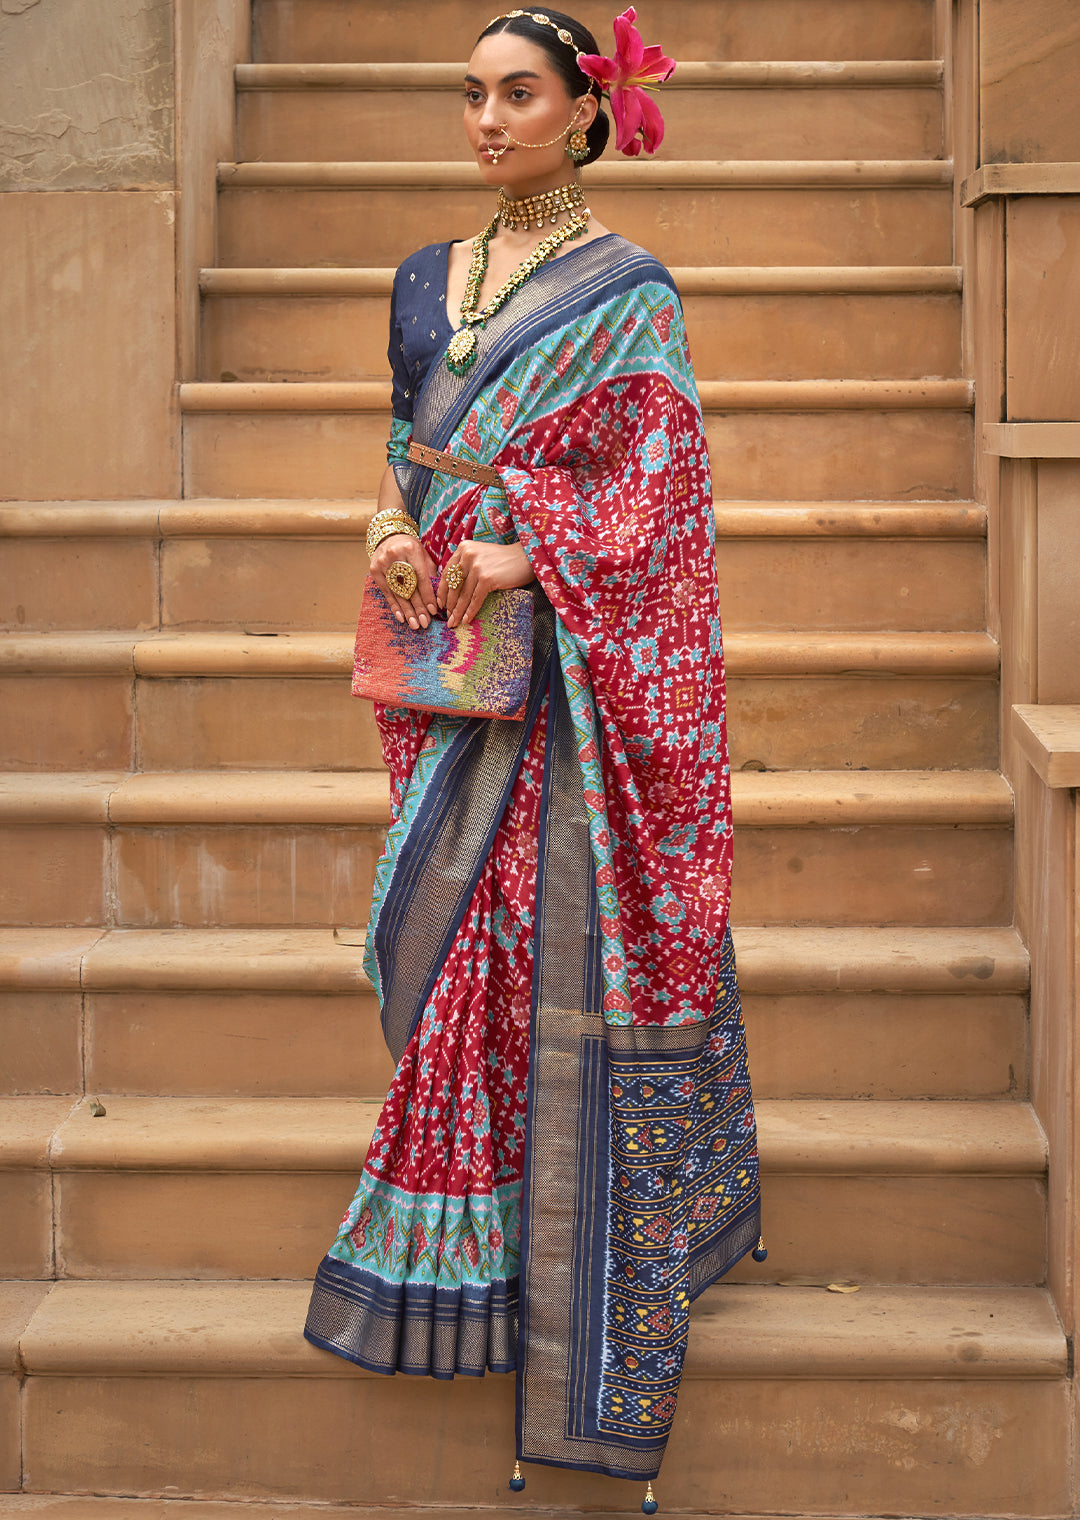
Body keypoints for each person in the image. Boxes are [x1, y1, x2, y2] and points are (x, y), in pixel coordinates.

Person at [304, 8, 764, 1508]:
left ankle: (579, 1263)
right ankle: (476, 1239)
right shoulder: (425, 281)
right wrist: (388, 532)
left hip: (571, 687)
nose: (487, 121)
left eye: (518, 96)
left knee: (554, 960)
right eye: (472, 97)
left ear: (584, 113)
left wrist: (528, 553)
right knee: (437, 948)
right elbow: (399, 438)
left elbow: (660, 492)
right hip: (450, 671)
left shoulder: (630, 293)